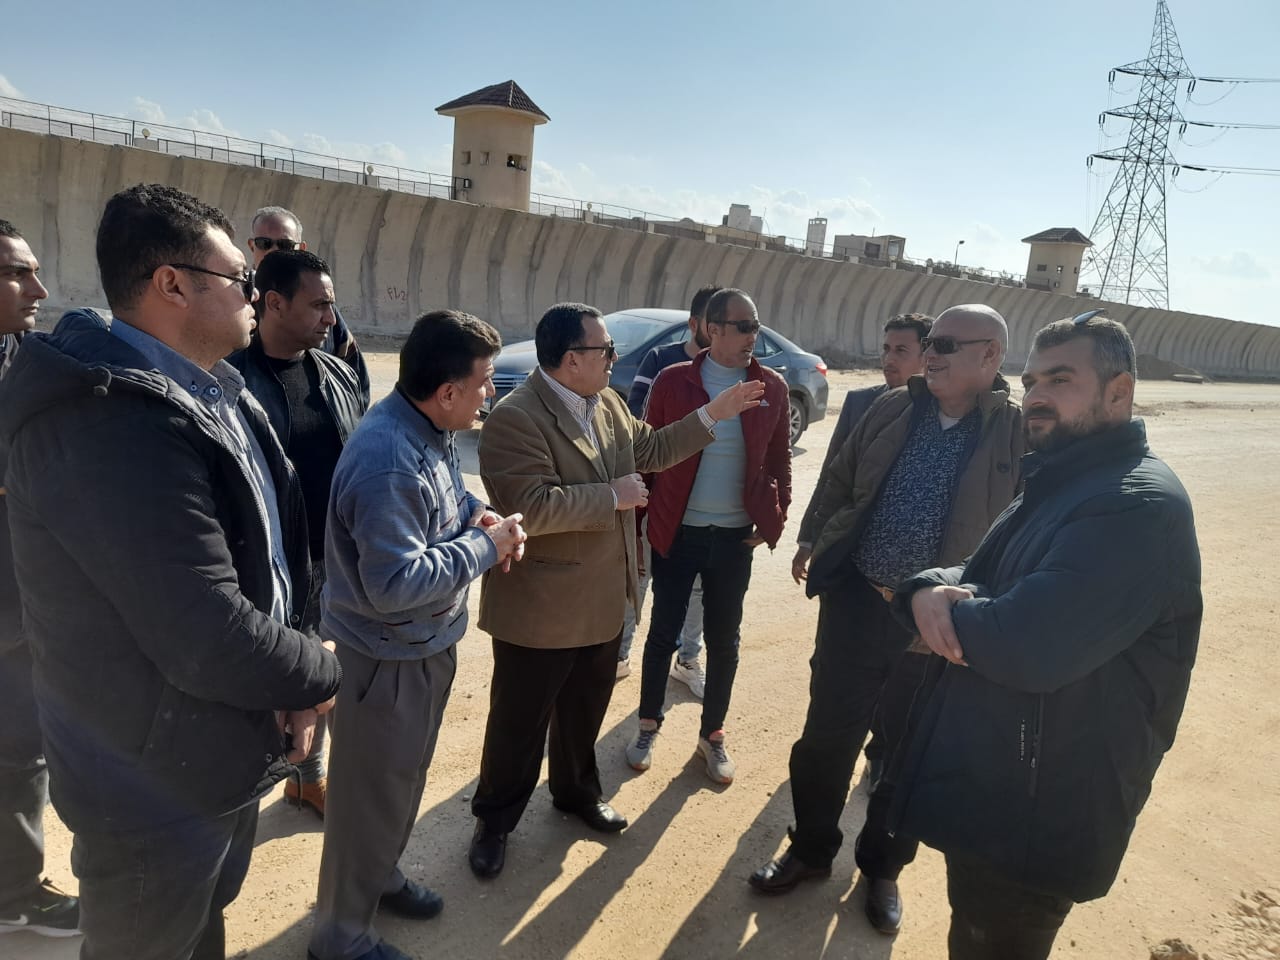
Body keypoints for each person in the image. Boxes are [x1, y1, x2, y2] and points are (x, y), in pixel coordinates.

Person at [0, 184, 342, 960]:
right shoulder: (106, 421)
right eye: (239, 279)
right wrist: (321, 673)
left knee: (202, 928)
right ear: (172, 285)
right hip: (149, 782)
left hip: (217, 747)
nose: (253, 294)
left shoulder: (213, 389)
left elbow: (273, 554)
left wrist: (291, 681)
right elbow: (201, 628)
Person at [893, 313, 1201, 959]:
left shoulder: (1134, 505)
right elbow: (985, 573)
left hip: (1042, 813)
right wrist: (923, 589)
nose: (1036, 395)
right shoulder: (1066, 477)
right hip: (1004, 786)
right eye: (1032, 380)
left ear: (1119, 392)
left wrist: (946, 611)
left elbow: (1026, 644)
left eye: (1060, 380)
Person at [749, 304, 1023, 938]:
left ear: (990, 356)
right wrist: (815, 539)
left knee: (905, 757)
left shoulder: (1016, 435)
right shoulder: (894, 408)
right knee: (825, 740)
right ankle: (811, 849)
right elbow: (840, 479)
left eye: (947, 345)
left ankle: (882, 869)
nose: (931, 353)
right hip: (857, 604)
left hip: (936, 631)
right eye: (932, 342)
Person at [468, 302, 763, 879]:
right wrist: (612, 496)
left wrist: (714, 413)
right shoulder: (515, 417)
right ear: (571, 359)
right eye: (605, 350)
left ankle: (576, 793)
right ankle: (495, 821)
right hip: (542, 609)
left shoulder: (605, 403)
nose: (613, 358)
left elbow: (650, 451)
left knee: (584, 712)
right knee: (518, 724)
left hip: (603, 599)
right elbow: (530, 507)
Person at [309, 310, 524, 960]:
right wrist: (486, 548)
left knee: (398, 785)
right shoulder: (390, 461)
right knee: (367, 801)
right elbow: (395, 584)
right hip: (385, 663)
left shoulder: (426, 425)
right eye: (485, 381)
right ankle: (340, 937)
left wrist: (478, 515)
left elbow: (448, 499)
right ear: (449, 390)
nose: (490, 393)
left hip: (419, 647)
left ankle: (381, 878)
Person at [625, 288, 790, 784]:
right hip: (678, 532)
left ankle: (711, 735)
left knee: (724, 641)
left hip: (734, 539)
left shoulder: (771, 387)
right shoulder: (674, 381)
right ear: (710, 329)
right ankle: (648, 725)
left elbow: (779, 460)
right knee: (662, 634)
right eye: (742, 326)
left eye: (756, 326)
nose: (752, 336)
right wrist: (638, 525)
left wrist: (774, 518)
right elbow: (647, 455)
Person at [228, 249, 369, 818]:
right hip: (268, 564)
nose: (330, 319)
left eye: (331, 305)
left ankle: (308, 778)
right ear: (274, 303)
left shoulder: (338, 373)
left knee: (324, 669)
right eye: (319, 306)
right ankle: (250, 792)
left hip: (334, 557)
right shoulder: (228, 378)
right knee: (272, 677)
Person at [792, 311, 931, 788]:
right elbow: (833, 475)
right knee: (828, 664)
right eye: (886, 349)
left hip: (905, 583)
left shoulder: (945, 417)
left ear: (927, 356)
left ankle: (879, 754)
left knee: (898, 678)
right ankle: (824, 746)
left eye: (901, 351)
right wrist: (809, 540)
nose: (888, 359)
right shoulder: (862, 403)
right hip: (850, 569)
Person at [0, 219, 79, 939]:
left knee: (21, 749)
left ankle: (15, 887)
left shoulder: (32, 360)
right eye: (16, 273)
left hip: (24, 599)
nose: (38, 288)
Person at [618, 283, 721, 687]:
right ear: (695, 324)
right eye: (715, 324)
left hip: (704, 506)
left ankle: (688, 660)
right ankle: (619, 655)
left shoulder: (736, 374)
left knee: (696, 590)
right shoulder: (662, 361)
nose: (724, 333)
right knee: (638, 579)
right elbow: (638, 429)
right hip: (657, 500)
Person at [247, 205, 370, 405]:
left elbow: (355, 380)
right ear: (252, 246)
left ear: (301, 249)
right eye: (264, 243)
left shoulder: (327, 315)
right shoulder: (234, 303)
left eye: (285, 245)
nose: (274, 251)